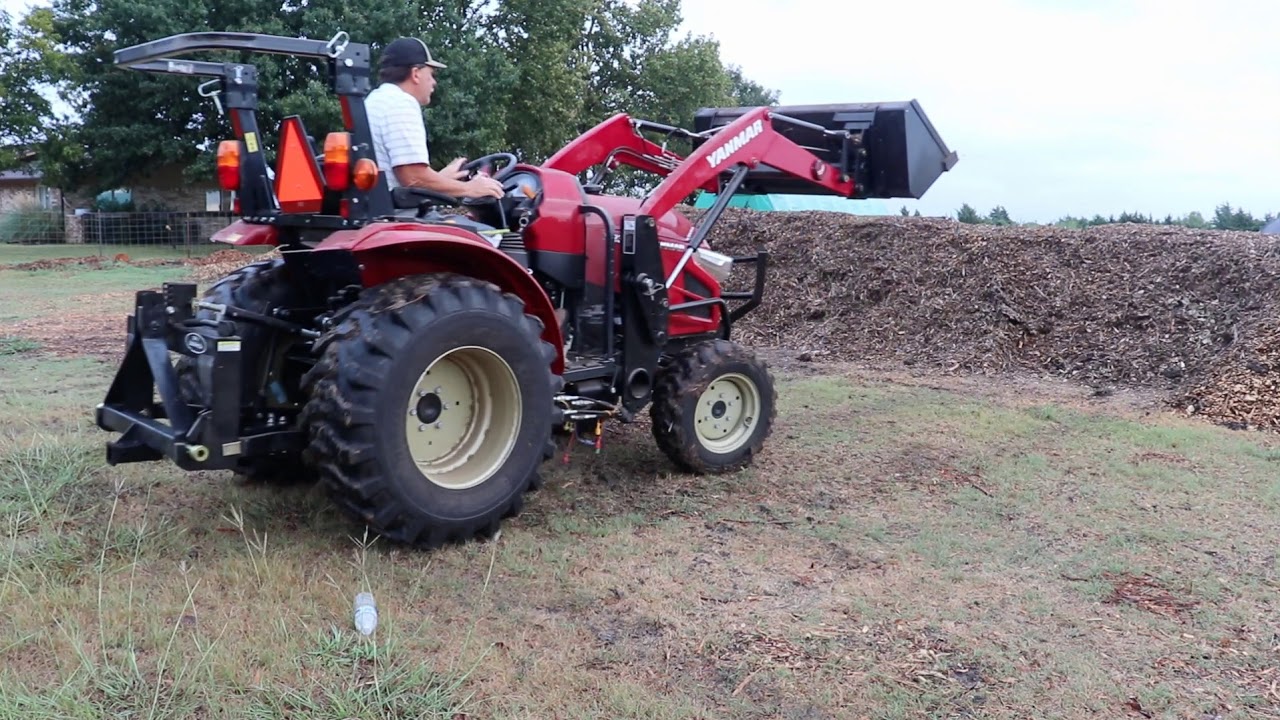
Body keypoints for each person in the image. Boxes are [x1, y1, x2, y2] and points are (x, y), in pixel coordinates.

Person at [365, 37, 504, 200]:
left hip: (378, 205)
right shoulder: (400, 103)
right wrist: (469, 188)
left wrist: (441, 179)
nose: (434, 82)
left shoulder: (375, 100)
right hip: (395, 211)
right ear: (415, 74)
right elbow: (413, 178)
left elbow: (410, 178)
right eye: (431, 74)